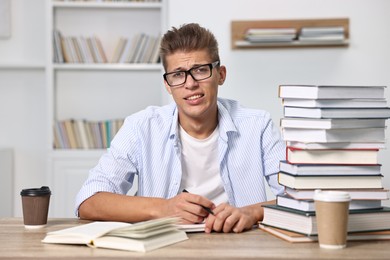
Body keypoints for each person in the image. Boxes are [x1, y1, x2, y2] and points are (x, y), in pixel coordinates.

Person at [75, 23, 285, 233]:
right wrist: (163, 208)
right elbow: (88, 201)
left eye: (200, 70)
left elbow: (301, 200)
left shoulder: (257, 126)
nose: (190, 84)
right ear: (168, 85)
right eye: (178, 75)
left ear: (220, 75)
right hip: (163, 247)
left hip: (240, 245)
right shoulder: (141, 127)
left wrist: (253, 212)